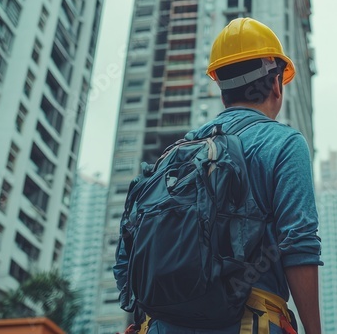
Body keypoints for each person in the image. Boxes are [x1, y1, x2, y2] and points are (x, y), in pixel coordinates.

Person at [125, 18, 322, 334]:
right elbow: (298, 243)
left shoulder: (175, 153)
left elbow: (131, 249)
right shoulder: (284, 143)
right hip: (249, 323)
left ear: (222, 91)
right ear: (275, 85)